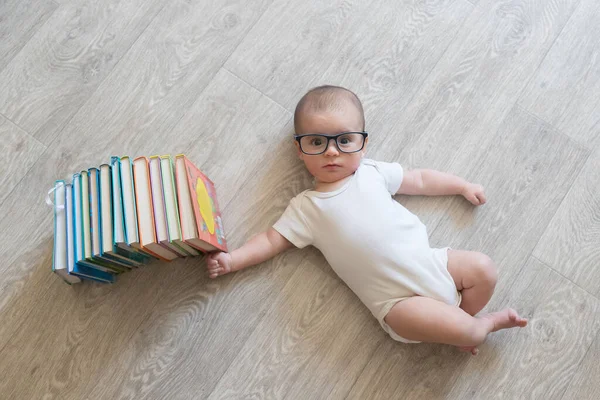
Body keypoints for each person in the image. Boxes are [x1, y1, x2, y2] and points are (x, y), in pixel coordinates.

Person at [206, 85, 527, 355]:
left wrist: (461, 185)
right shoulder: (306, 208)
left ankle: (461, 324)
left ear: (363, 143)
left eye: (344, 141)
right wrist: (233, 260)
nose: (332, 152)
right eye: (317, 142)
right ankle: (476, 328)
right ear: (300, 150)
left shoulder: (372, 172)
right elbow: (270, 240)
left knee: (483, 268)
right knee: (472, 333)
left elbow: (420, 180)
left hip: (434, 265)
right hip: (399, 304)